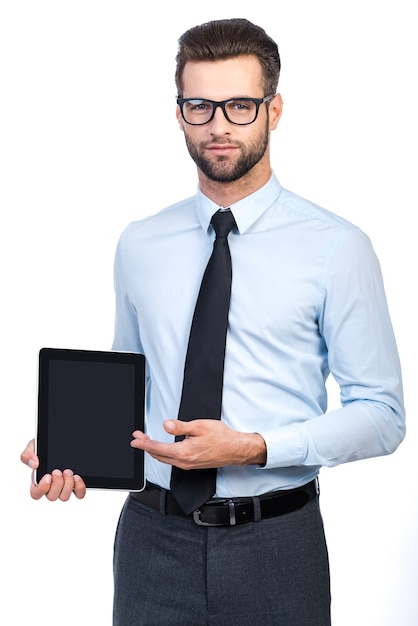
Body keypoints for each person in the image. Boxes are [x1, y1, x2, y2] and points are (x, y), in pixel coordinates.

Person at [21, 17, 406, 626]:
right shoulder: (140, 243)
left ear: (274, 110)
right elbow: (131, 379)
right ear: (179, 114)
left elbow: (383, 416)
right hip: (152, 539)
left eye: (240, 105)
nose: (219, 125)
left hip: (276, 544)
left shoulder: (338, 248)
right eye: (200, 105)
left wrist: (254, 449)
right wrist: (75, 444)